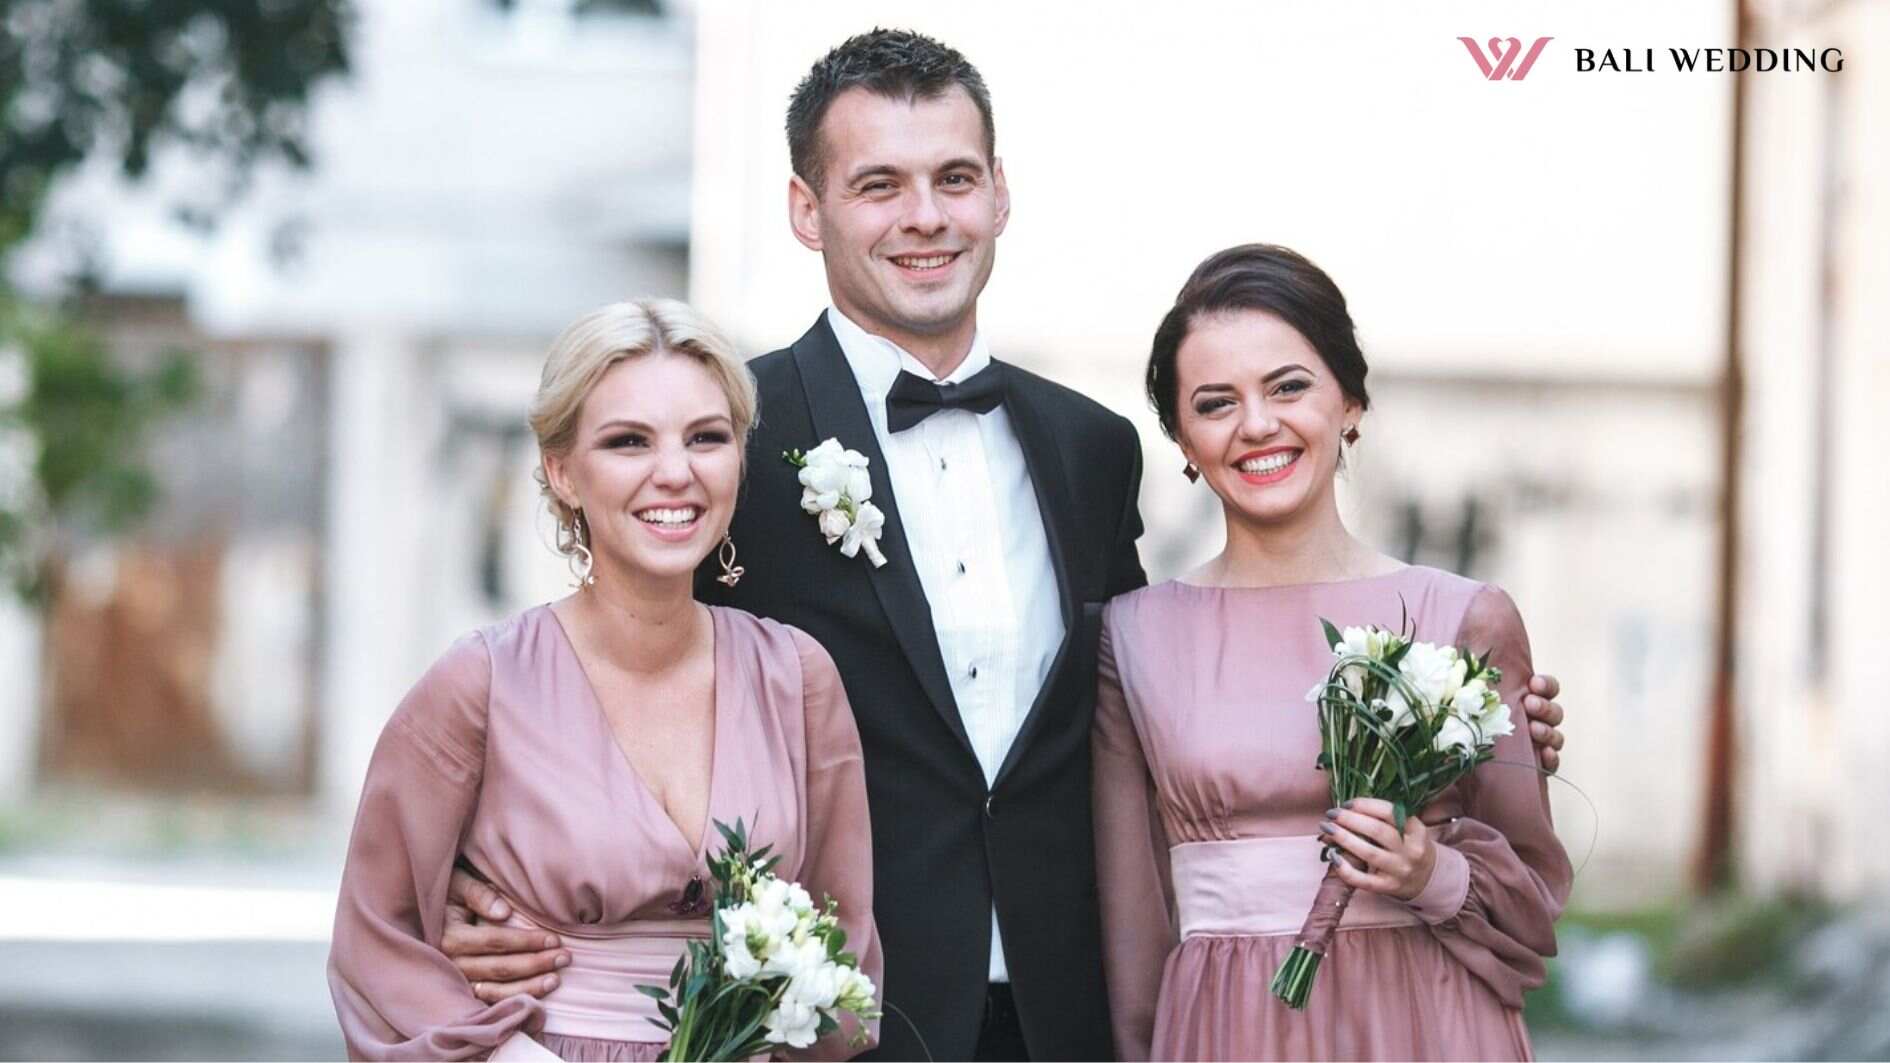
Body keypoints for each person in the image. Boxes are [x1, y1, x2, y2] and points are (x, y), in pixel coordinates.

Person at [438, 31, 1568, 1062]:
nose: (923, 215)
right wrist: (483, 890)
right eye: (878, 184)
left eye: (954, 178)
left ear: (1000, 196)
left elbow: (1160, 707)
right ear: (804, 207)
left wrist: (1458, 725)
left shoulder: (1088, 446)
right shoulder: (727, 438)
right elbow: (606, 672)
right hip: (836, 1011)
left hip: (1071, 1005)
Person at [327, 299, 880, 1061]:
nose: (675, 471)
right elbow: (373, 935)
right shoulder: (480, 683)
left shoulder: (800, 679)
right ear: (563, 471)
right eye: (628, 441)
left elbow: (843, 941)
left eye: (706, 438)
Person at [1094, 244, 1572, 1061]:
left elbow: (1531, 909)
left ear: (1349, 399)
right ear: (1181, 437)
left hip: (1429, 1020)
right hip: (1227, 1027)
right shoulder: (1133, 637)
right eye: (1215, 403)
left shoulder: (1463, 616)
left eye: (1288, 386)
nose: (1257, 424)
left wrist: (1431, 872)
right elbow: (1132, 931)